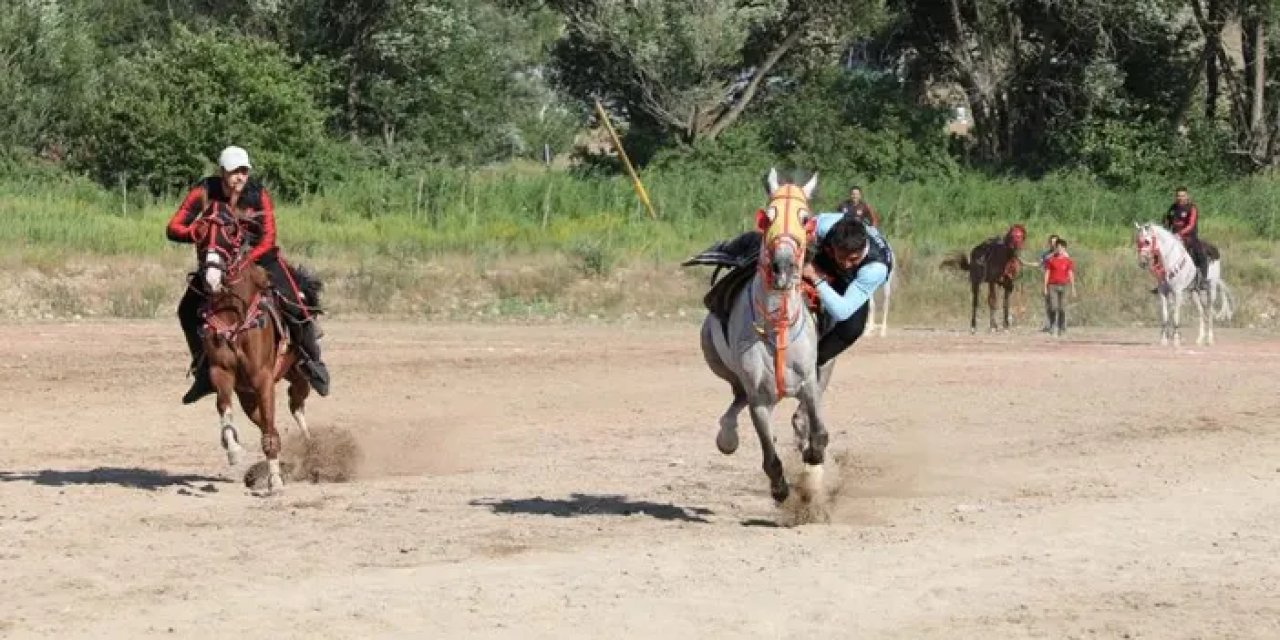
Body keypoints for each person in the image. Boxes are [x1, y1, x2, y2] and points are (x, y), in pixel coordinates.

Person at [166, 146, 330, 404]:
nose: (240, 177)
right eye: (234, 172)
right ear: (222, 172)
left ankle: (312, 361)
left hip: (261, 259)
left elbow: (268, 238)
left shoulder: (259, 195)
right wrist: (197, 231)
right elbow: (174, 227)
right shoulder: (203, 192)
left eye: (244, 171)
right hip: (218, 262)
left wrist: (245, 262)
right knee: (187, 310)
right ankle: (203, 373)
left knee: (297, 303)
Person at [1163, 186, 1206, 282]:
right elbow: (1167, 222)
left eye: (1182, 196)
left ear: (1187, 196)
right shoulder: (1172, 208)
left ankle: (1203, 280)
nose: (1180, 198)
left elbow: (1191, 225)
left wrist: (1179, 234)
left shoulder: (1192, 208)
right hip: (1173, 238)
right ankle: (1162, 281)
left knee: (1200, 253)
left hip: (1189, 237)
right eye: (1178, 196)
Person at [1042, 239, 1076, 336]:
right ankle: (1052, 324)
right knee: (1053, 307)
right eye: (1058, 247)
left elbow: (1070, 274)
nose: (1060, 249)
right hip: (1052, 285)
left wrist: (1073, 287)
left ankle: (1061, 326)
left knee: (1062, 308)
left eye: (1062, 247)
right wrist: (1045, 286)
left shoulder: (1068, 261)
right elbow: (1047, 273)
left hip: (1064, 286)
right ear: (1056, 248)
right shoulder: (1051, 260)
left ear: (1065, 249)